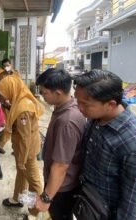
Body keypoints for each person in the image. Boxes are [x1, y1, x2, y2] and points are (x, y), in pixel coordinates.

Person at [73, 69, 136, 219]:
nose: (79, 108)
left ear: (111, 104)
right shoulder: (96, 118)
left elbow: (135, 213)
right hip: (88, 206)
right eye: (77, 101)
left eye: (85, 104)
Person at [34, 68, 86, 220]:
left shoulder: (67, 121)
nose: (42, 96)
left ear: (57, 93)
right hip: (61, 183)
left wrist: (46, 198)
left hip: (62, 187)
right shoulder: (65, 107)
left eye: (44, 93)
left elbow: (60, 166)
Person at [0, 75, 44, 220]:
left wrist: (22, 159)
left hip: (27, 150)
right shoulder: (19, 100)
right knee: (22, 174)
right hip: (23, 149)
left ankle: (36, 212)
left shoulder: (23, 108)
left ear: (11, 89)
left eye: (3, 93)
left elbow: (25, 138)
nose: (2, 97)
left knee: (34, 181)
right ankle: (19, 199)